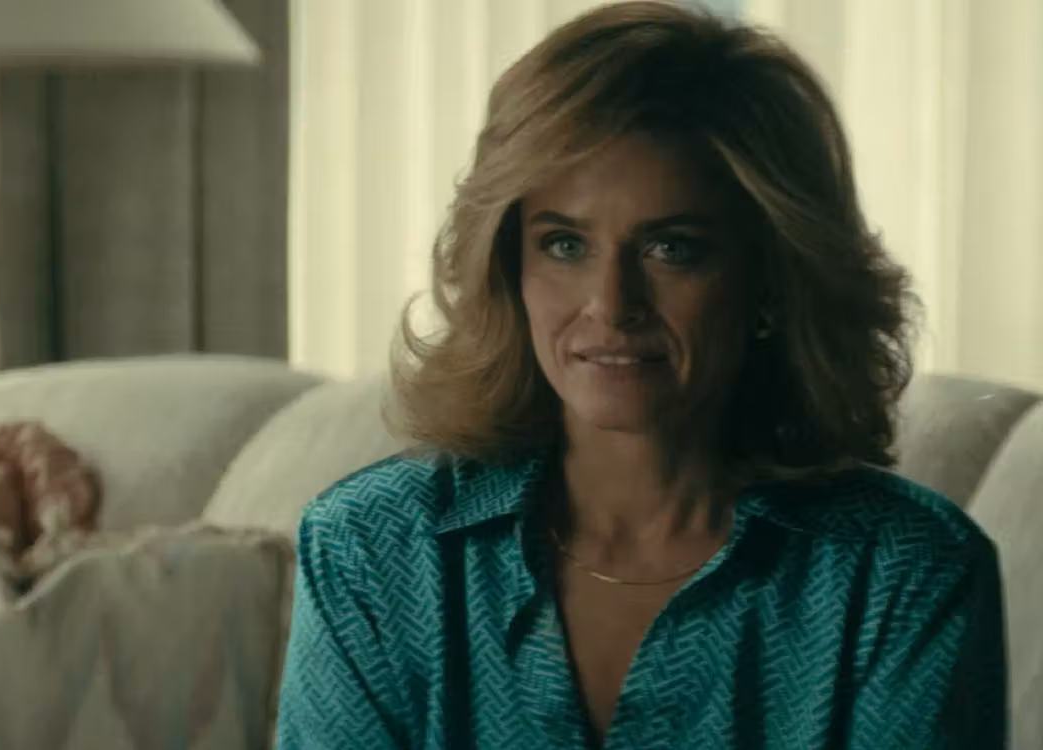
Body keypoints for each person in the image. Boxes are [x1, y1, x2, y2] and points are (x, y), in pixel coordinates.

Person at [273, 2, 1008, 748]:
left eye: (671, 249)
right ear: (509, 268)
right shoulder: (373, 548)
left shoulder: (902, 574)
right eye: (565, 245)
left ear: (770, 281)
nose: (611, 304)